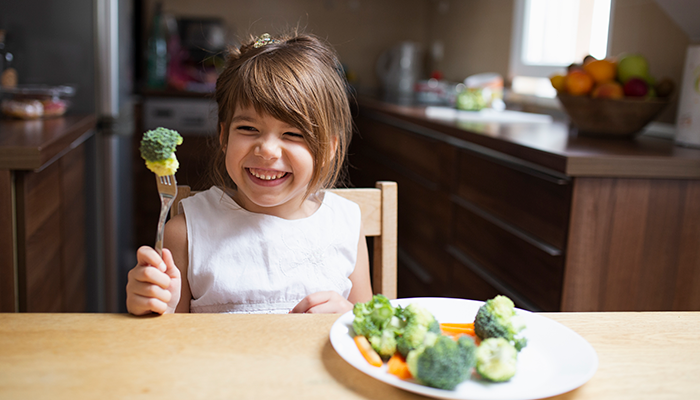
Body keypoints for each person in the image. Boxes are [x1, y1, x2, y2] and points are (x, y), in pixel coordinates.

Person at [126, 32, 373, 315]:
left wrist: (349, 316)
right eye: (248, 129)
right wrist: (151, 305)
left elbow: (369, 334)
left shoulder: (344, 224)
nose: (267, 150)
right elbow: (163, 342)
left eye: (292, 133)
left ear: (329, 148)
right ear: (224, 137)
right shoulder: (185, 233)